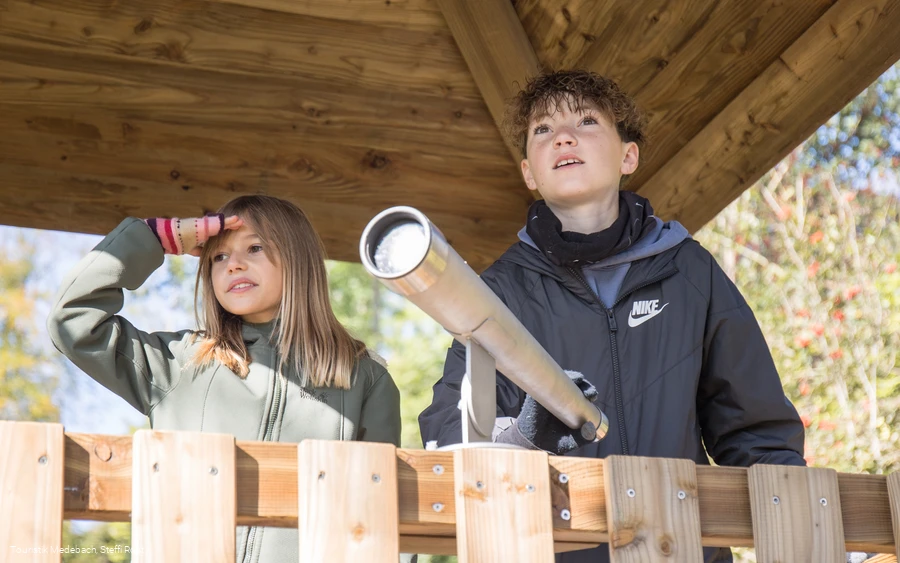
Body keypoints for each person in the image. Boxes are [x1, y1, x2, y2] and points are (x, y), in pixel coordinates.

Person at [418, 70, 805, 562]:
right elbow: (449, 433)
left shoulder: (689, 271)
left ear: (628, 156)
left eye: (585, 121)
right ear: (529, 173)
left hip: (683, 549)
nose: (563, 136)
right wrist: (520, 438)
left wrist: (799, 528)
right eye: (543, 130)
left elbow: (756, 431)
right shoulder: (499, 291)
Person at [48, 194, 402, 563]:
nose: (233, 264)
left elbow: (386, 513)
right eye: (219, 256)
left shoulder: (364, 377)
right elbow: (73, 321)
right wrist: (155, 240)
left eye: (255, 248)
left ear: (299, 260)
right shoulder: (179, 362)